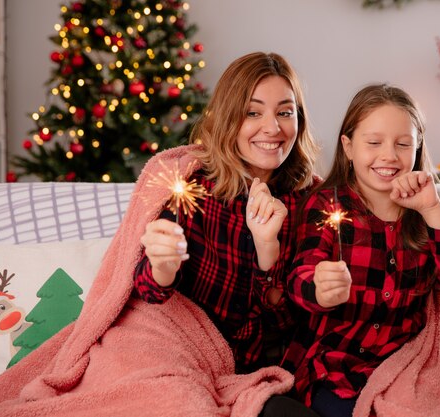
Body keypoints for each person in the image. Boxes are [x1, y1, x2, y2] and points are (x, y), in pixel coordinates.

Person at [282, 84, 440, 417]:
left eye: (403, 144)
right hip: (335, 371)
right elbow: (299, 277)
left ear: (417, 146)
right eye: (374, 143)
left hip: (403, 372)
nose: (389, 156)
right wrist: (317, 287)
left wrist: (433, 211)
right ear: (348, 147)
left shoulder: (431, 212)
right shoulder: (326, 205)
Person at [133, 52, 321, 417]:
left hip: (263, 378)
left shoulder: (313, 203)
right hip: (184, 367)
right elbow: (147, 295)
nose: (272, 128)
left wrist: (268, 251)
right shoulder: (190, 187)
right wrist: (163, 267)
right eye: (253, 112)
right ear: (227, 117)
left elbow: (298, 326)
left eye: (285, 112)